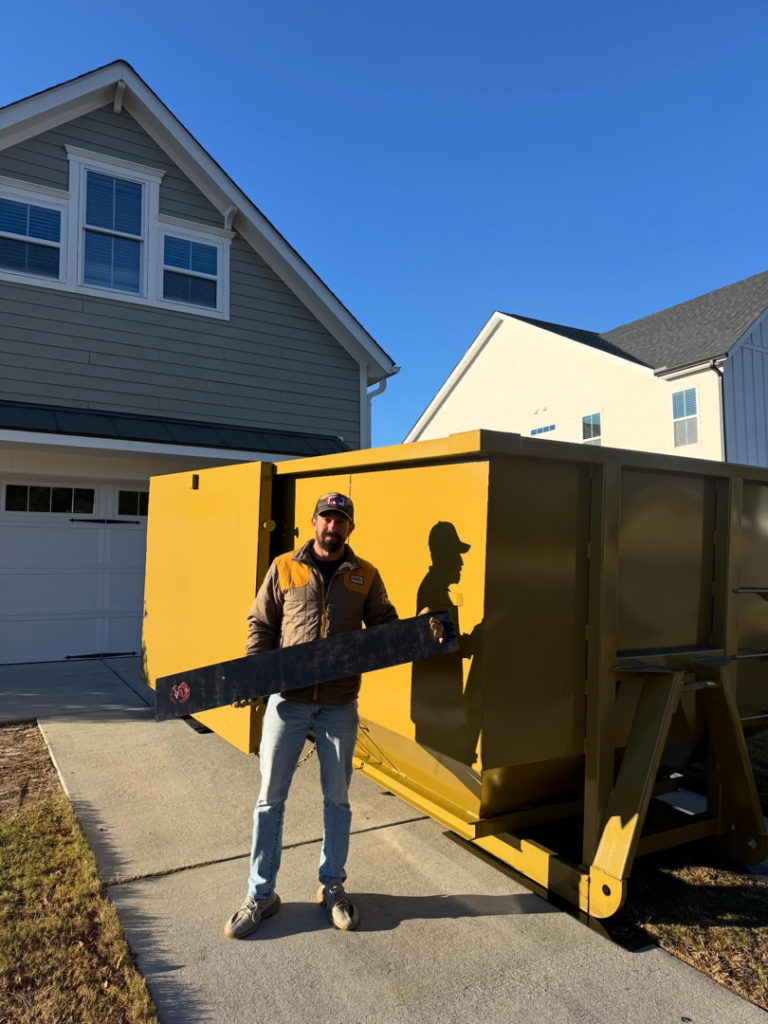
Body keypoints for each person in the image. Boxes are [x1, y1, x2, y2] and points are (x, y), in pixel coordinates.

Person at [224, 492, 444, 939]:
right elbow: (261, 624)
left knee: (337, 800)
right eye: (326, 518)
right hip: (288, 701)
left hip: (339, 704)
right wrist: (254, 675)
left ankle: (333, 887)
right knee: (270, 799)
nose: (332, 526)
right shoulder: (284, 567)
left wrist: (420, 629)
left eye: (340, 520)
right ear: (313, 522)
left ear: (350, 528)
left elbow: (384, 629)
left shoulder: (365, 575)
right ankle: (261, 894)